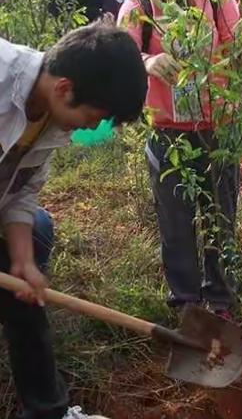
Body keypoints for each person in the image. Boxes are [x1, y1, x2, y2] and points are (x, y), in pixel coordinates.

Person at [0, 23, 147, 419]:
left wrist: (22, 262)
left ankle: (45, 411)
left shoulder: (48, 113)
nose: (89, 127)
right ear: (65, 88)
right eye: (93, 116)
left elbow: (20, 193)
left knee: (37, 233)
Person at [118, 0, 242, 317]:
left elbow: (238, 42)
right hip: (167, 131)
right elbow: (121, 55)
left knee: (221, 216)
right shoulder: (138, 8)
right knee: (176, 220)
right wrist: (147, 60)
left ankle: (221, 300)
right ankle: (186, 303)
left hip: (219, 126)